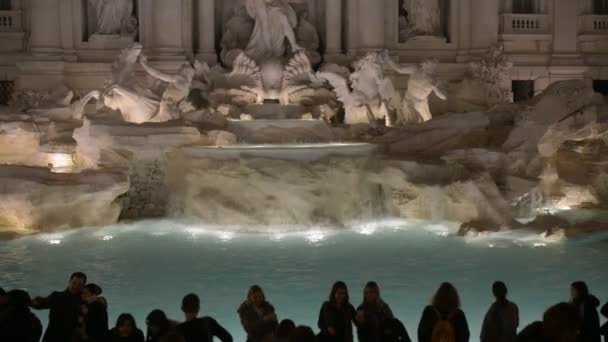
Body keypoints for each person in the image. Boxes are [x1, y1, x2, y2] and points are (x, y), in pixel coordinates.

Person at [32, 271, 88, 342]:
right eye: (74, 283)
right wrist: (27, 301)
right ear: (69, 282)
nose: (76, 286)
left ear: (83, 286)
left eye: (80, 284)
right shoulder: (56, 296)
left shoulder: (85, 301)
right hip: (53, 337)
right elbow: (41, 304)